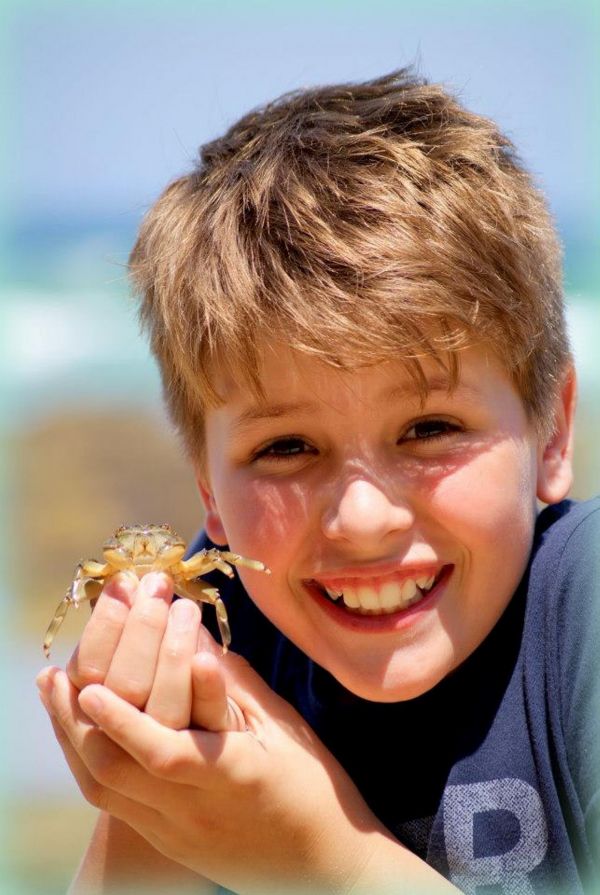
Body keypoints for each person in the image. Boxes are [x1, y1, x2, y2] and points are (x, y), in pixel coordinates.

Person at [37, 68, 599, 895]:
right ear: (206, 489)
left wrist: (319, 854)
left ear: (552, 433)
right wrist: (146, 796)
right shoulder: (219, 642)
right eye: (288, 447)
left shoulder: (582, 613)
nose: (362, 517)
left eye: (430, 428)